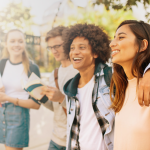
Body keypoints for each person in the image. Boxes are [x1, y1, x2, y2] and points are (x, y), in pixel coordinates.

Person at [62, 23, 114, 150]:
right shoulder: (70, 88)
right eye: (72, 48)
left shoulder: (110, 77)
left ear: (95, 53)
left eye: (82, 47)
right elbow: (72, 127)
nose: (75, 52)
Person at [109, 20, 150, 150]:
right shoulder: (121, 88)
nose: (112, 44)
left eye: (121, 37)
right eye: (114, 38)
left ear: (143, 45)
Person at [0, 29, 41, 150]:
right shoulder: (2, 64)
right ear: (6, 44)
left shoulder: (32, 68)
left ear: (24, 44)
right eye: (12, 41)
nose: (16, 44)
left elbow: (36, 104)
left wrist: (8, 98)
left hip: (19, 115)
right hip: (2, 113)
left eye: (20, 41)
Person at [40, 26, 78, 150]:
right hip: (55, 139)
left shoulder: (80, 71)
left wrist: (61, 97)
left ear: (68, 43)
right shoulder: (54, 74)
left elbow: (86, 108)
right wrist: (41, 98)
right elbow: (56, 108)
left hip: (74, 140)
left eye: (57, 46)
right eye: (51, 47)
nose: (54, 51)